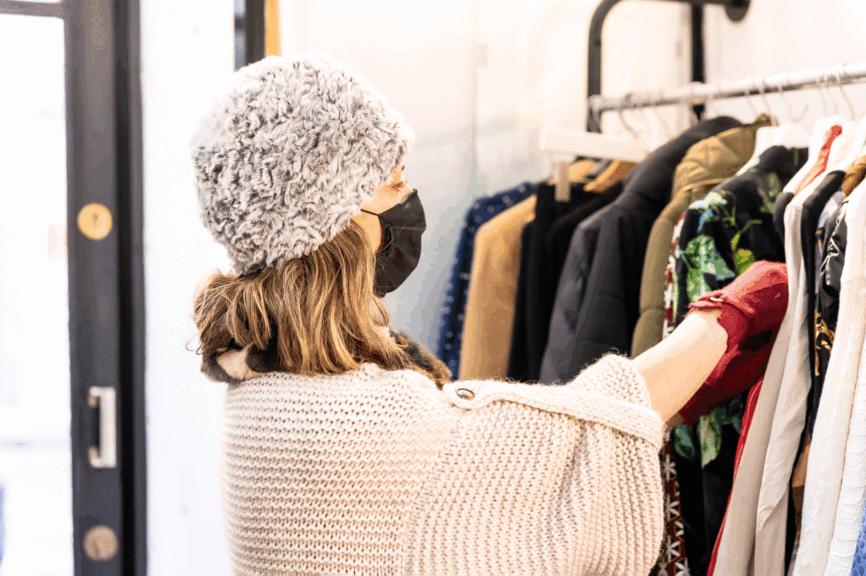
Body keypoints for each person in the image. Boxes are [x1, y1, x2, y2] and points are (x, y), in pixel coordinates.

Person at [189, 52, 776, 575]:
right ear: (336, 222)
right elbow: (569, 442)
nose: (409, 199)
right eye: (393, 185)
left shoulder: (257, 384)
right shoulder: (357, 422)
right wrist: (722, 318)